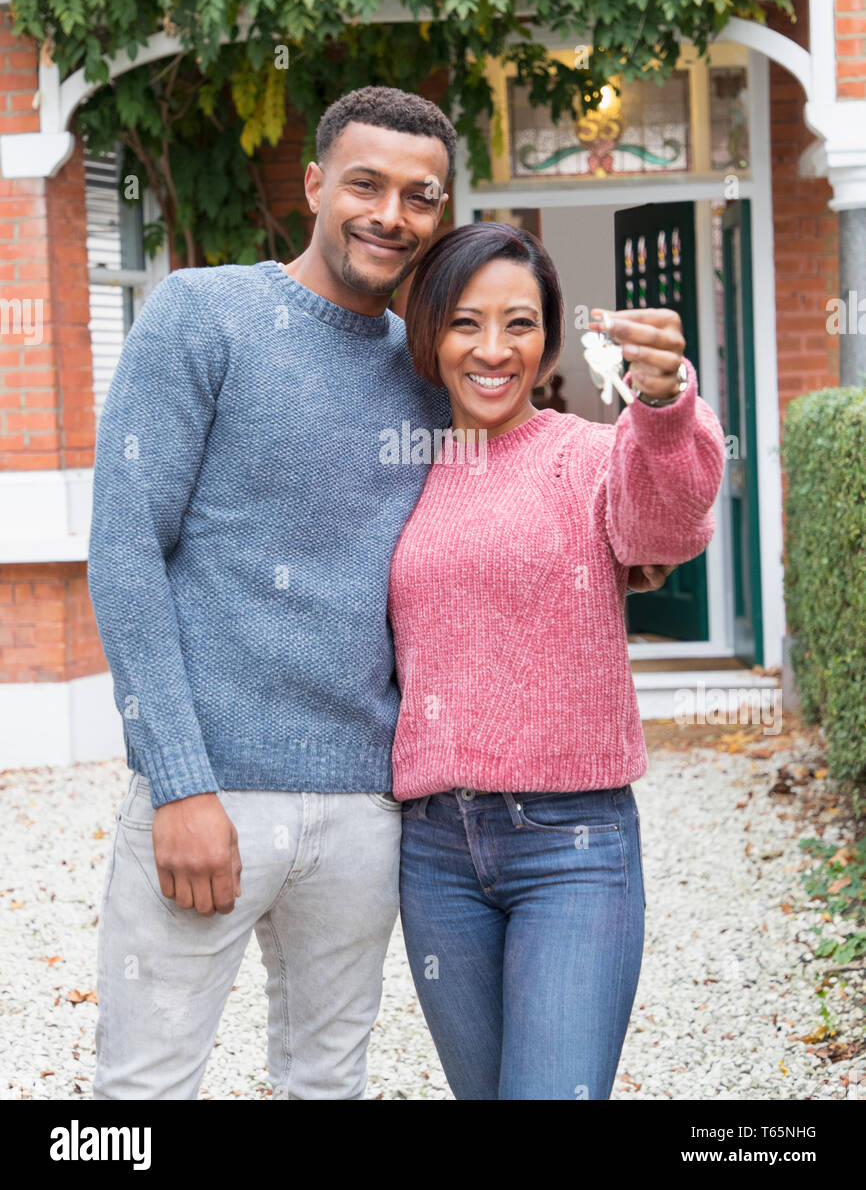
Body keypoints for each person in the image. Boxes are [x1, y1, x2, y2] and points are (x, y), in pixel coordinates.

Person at [87, 85, 672, 1101]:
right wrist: (177, 779)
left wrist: (648, 475)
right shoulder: (201, 315)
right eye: (364, 183)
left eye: (418, 194)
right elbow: (126, 550)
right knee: (143, 1086)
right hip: (208, 791)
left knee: (329, 1081)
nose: (388, 213)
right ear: (314, 183)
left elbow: (558, 507)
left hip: (369, 808)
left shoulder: (429, 364)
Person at [388, 220, 727, 1100]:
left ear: (549, 336)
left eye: (520, 324)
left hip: (572, 850)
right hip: (433, 855)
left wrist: (661, 405)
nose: (493, 350)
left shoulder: (588, 456)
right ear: (428, 332)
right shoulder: (402, 466)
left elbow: (665, 524)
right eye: (465, 322)